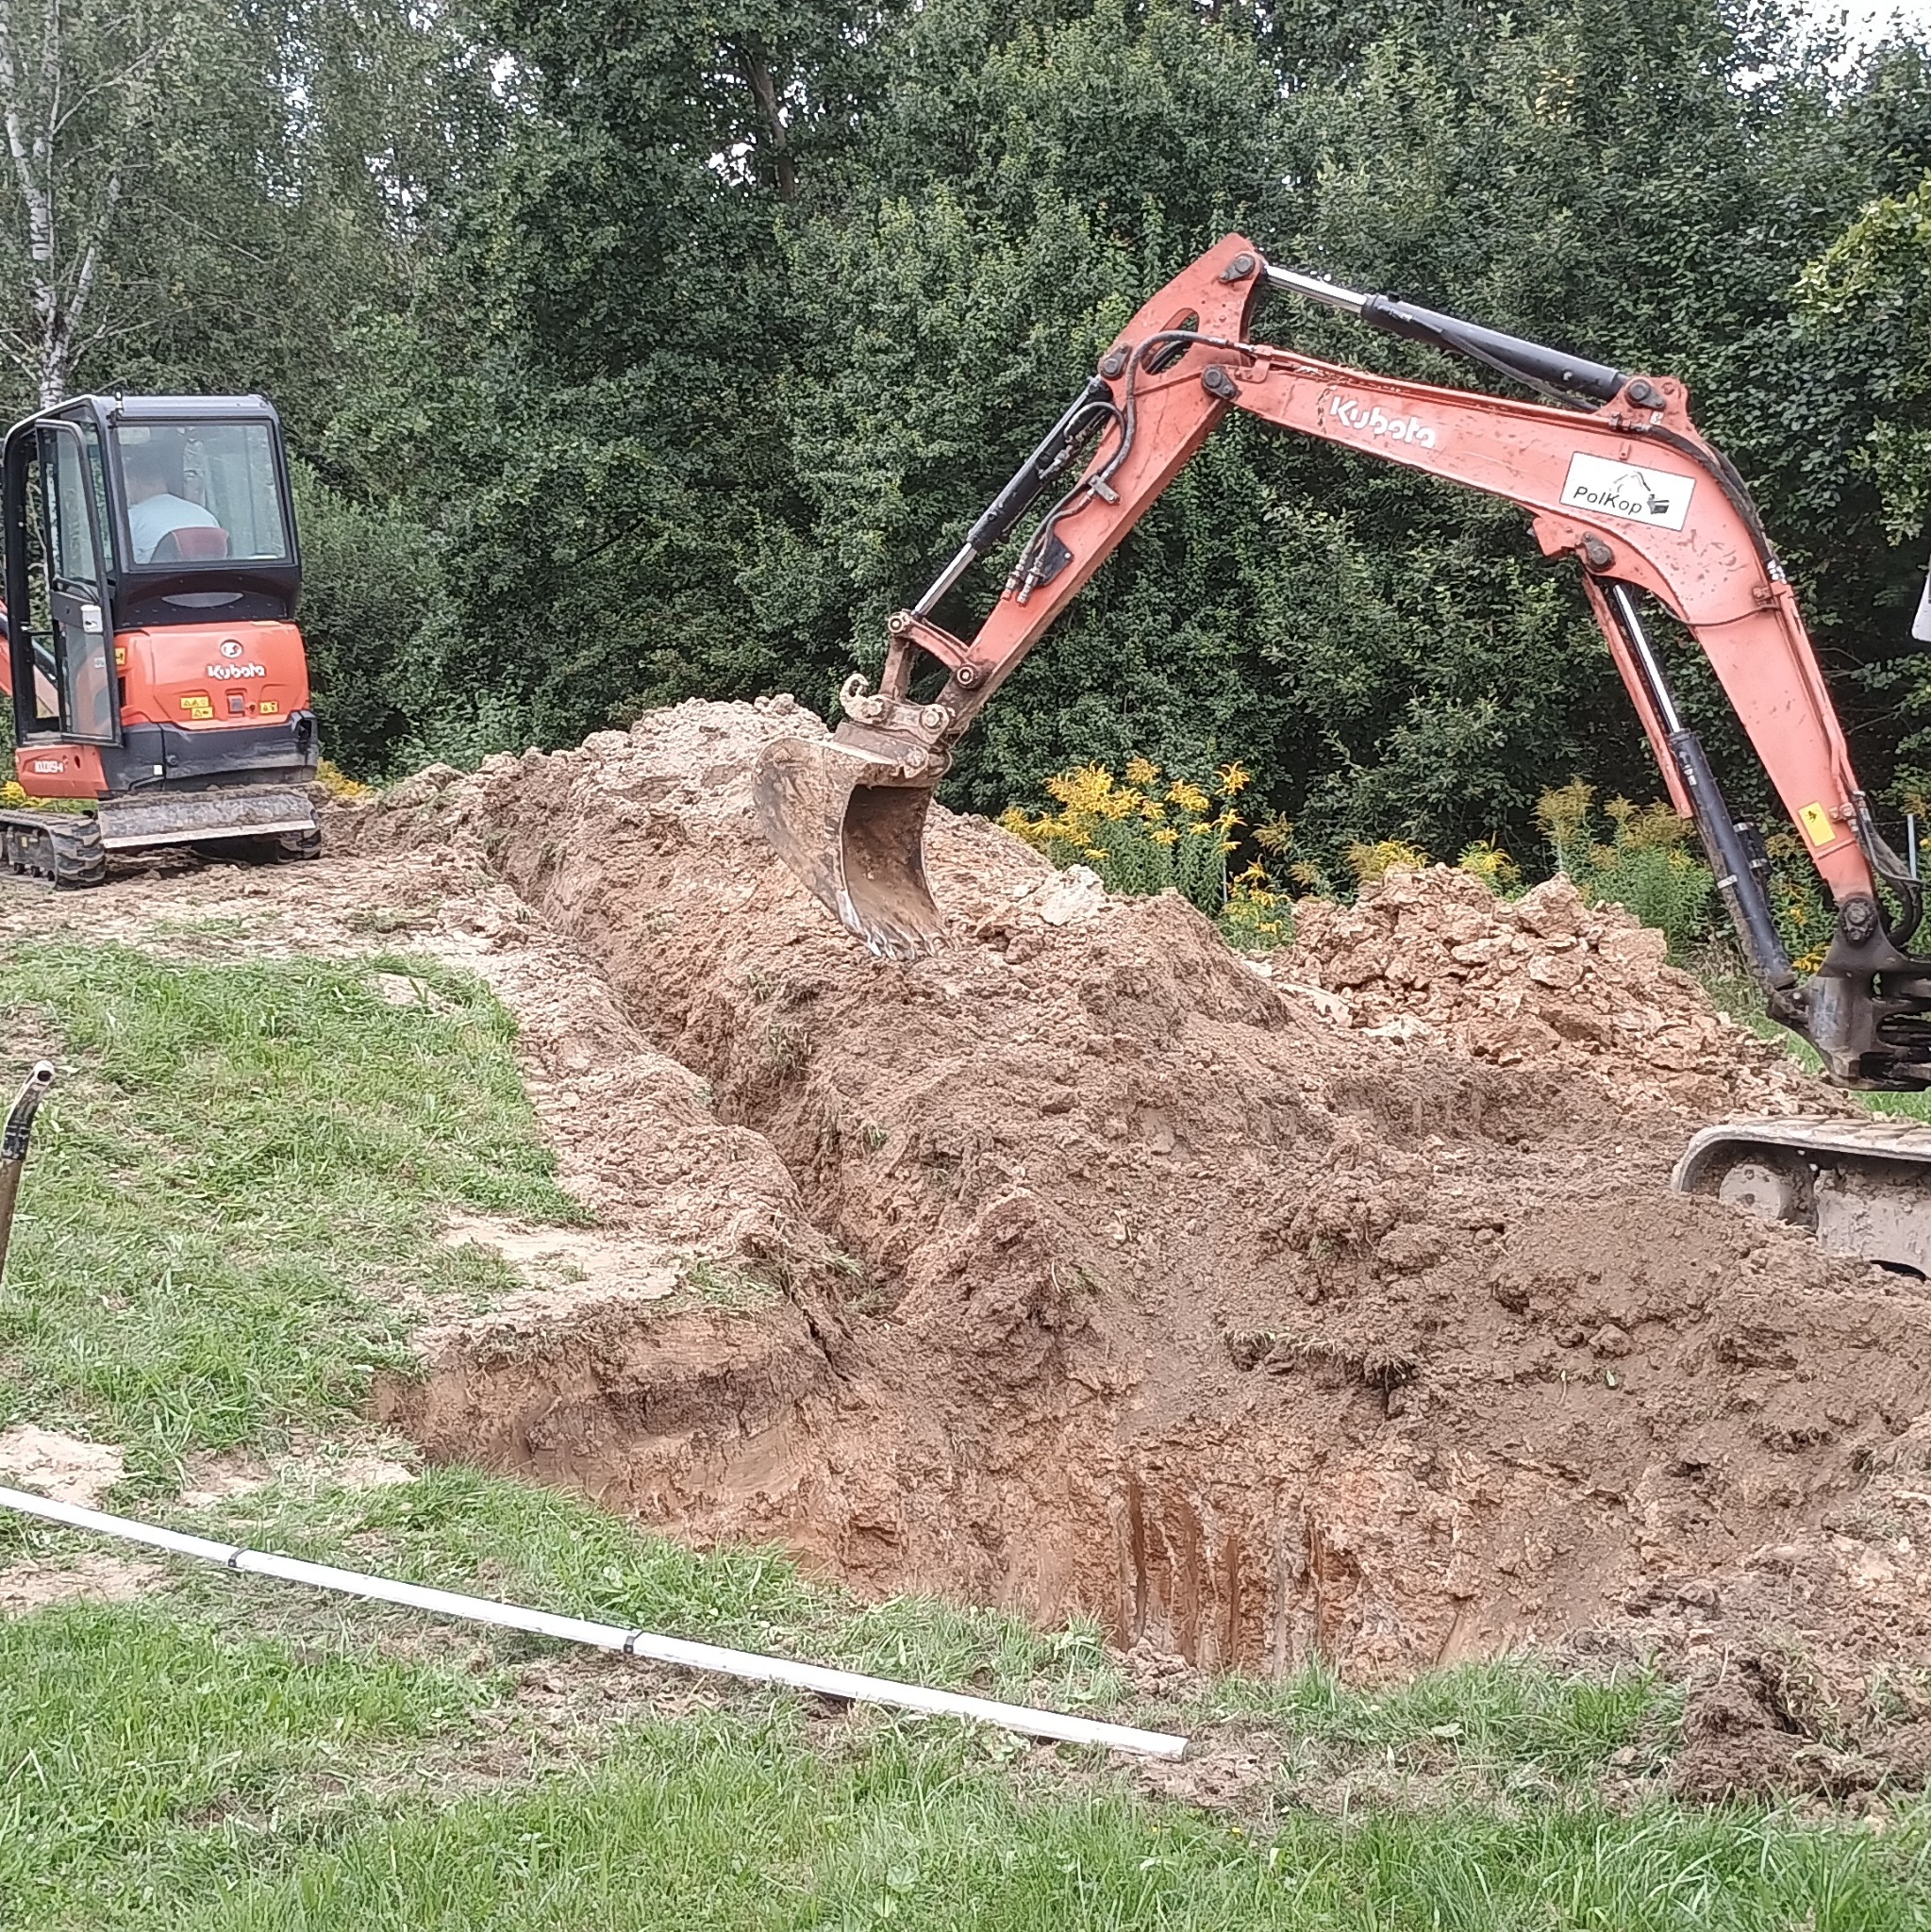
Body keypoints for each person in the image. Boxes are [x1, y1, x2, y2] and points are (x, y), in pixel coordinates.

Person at [123, 443, 220, 562]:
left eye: (126, 482)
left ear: (134, 480)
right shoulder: (206, 516)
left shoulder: (132, 519)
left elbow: (126, 563)